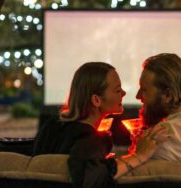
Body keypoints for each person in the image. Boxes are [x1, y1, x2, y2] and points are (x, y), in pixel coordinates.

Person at [32, 62, 167, 188]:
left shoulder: (52, 126)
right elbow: (90, 179)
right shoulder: (89, 139)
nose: (124, 93)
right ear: (96, 100)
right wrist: (139, 156)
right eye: (118, 90)